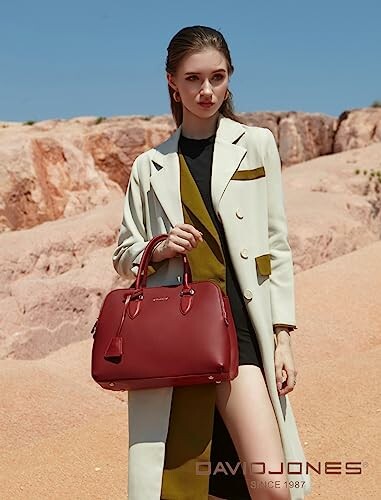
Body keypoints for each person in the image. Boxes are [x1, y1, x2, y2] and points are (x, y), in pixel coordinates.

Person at [112, 25, 311, 500]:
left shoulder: (257, 144)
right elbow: (124, 255)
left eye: (217, 77)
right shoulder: (149, 165)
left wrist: (283, 337)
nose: (206, 91)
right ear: (171, 83)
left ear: (229, 78)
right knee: (186, 486)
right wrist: (158, 247)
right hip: (177, 337)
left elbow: (275, 245)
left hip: (241, 332)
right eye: (193, 79)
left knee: (274, 486)